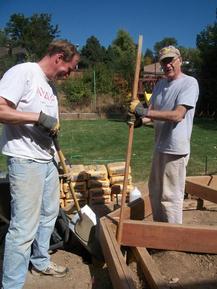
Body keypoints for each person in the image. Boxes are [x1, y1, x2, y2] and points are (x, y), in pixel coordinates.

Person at [0, 39, 80, 289]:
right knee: (24, 228)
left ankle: (41, 260)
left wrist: (57, 153)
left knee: (48, 215)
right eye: (69, 67)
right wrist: (37, 117)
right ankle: (11, 285)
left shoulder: (51, 88)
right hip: (25, 161)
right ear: (58, 57)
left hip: (47, 160)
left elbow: (50, 127)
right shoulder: (24, 72)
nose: (69, 74)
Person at [130, 45, 199, 224]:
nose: (167, 65)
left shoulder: (189, 83)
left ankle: (173, 235)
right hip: (160, 146)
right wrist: (138, 120)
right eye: (163, 62)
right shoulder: (160, 84)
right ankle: (160, 230)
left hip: (176, 149)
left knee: (171, 196)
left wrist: (143, 112)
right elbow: (152, 114)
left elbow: (177, 115)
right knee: (155, 191)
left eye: (171, 60)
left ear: (180, 60)